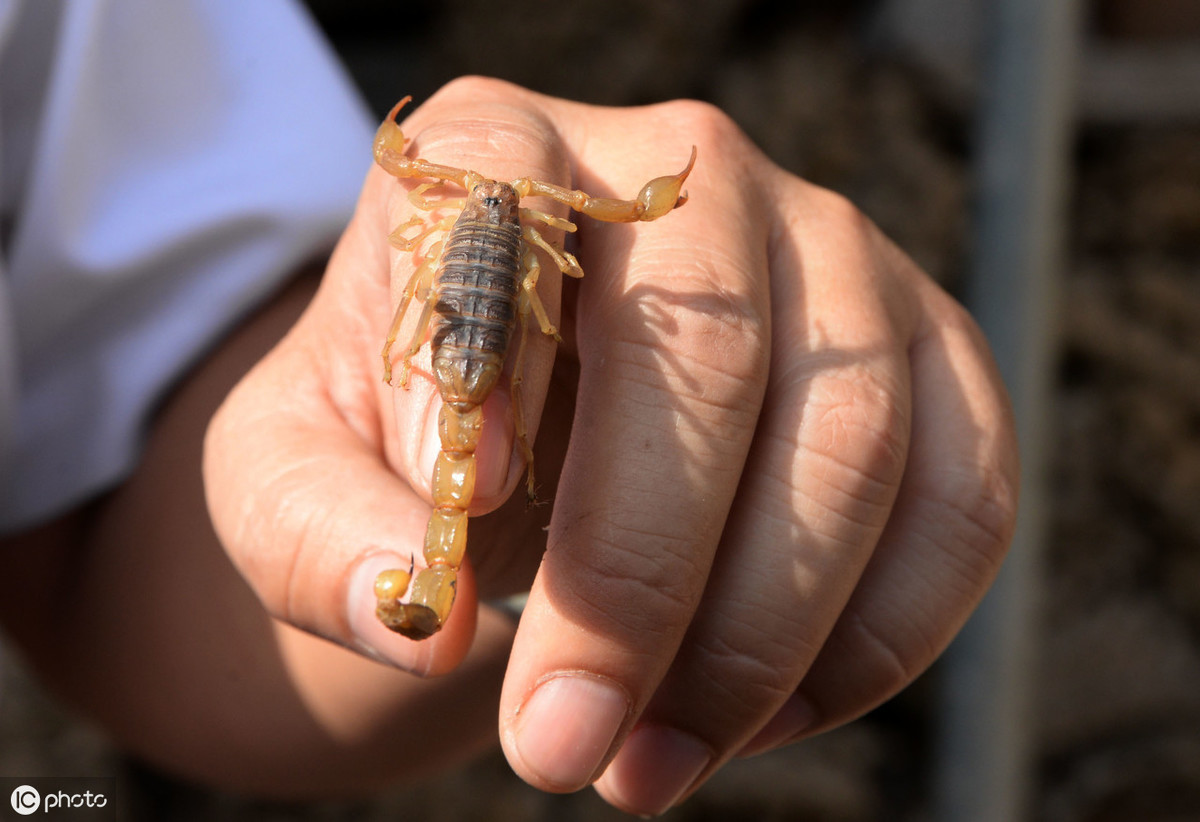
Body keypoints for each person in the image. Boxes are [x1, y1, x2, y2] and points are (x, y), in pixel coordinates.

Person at [0, 3, 1019, 819]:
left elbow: (89, 550)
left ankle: (520, 497)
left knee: (487, 410)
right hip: (459, 315)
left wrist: (547, 496)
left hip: (478, 326)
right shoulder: (498, 221)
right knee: (445, 353)